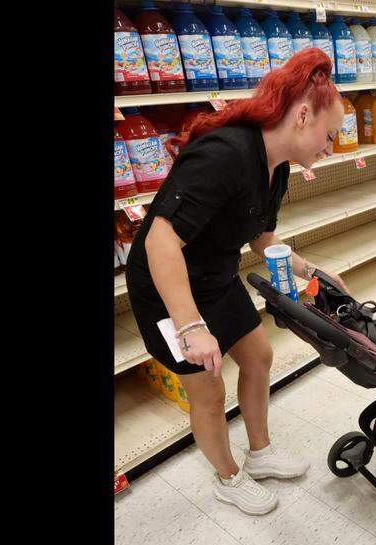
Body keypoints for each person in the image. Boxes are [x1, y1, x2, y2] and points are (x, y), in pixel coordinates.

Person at [124, 48, 349, 516]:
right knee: (208, 390)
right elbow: (160, 242)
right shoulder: (225, 153)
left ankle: (260, 452)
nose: (331, 147)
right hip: (168, 288)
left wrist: (312, 271)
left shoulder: (277, 165)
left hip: (215, 274)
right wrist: (190, 327)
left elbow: (261, 239)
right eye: (330, 135)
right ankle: (227, 477)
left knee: (258, 356)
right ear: (303, 115)